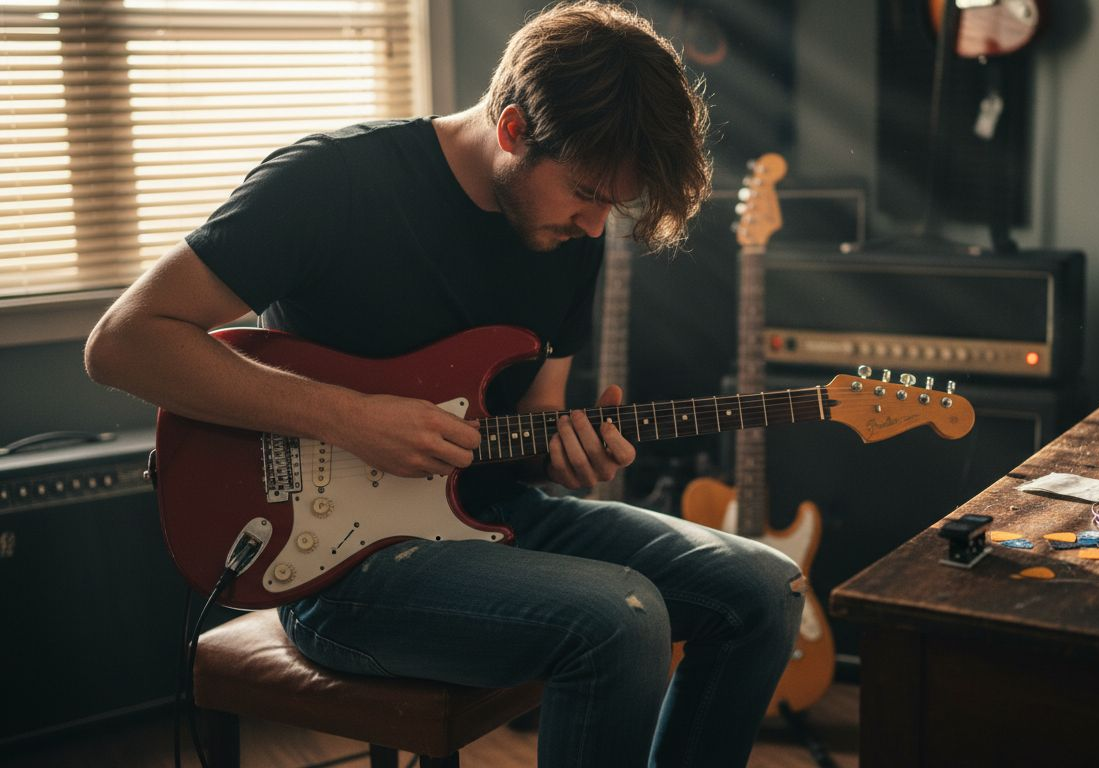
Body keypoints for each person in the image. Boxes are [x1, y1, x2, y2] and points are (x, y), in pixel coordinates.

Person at [84, 3, 804, 766]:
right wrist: (349, 417)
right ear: (515, 129)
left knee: (764, 588)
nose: (596, 227)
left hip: (492, 515)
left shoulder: (568, 236)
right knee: (621, 620)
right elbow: (123, 342)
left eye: (612, 206)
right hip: (340, 563)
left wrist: (567, 452)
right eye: (589, 194)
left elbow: (534, 421)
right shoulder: (329, 184)